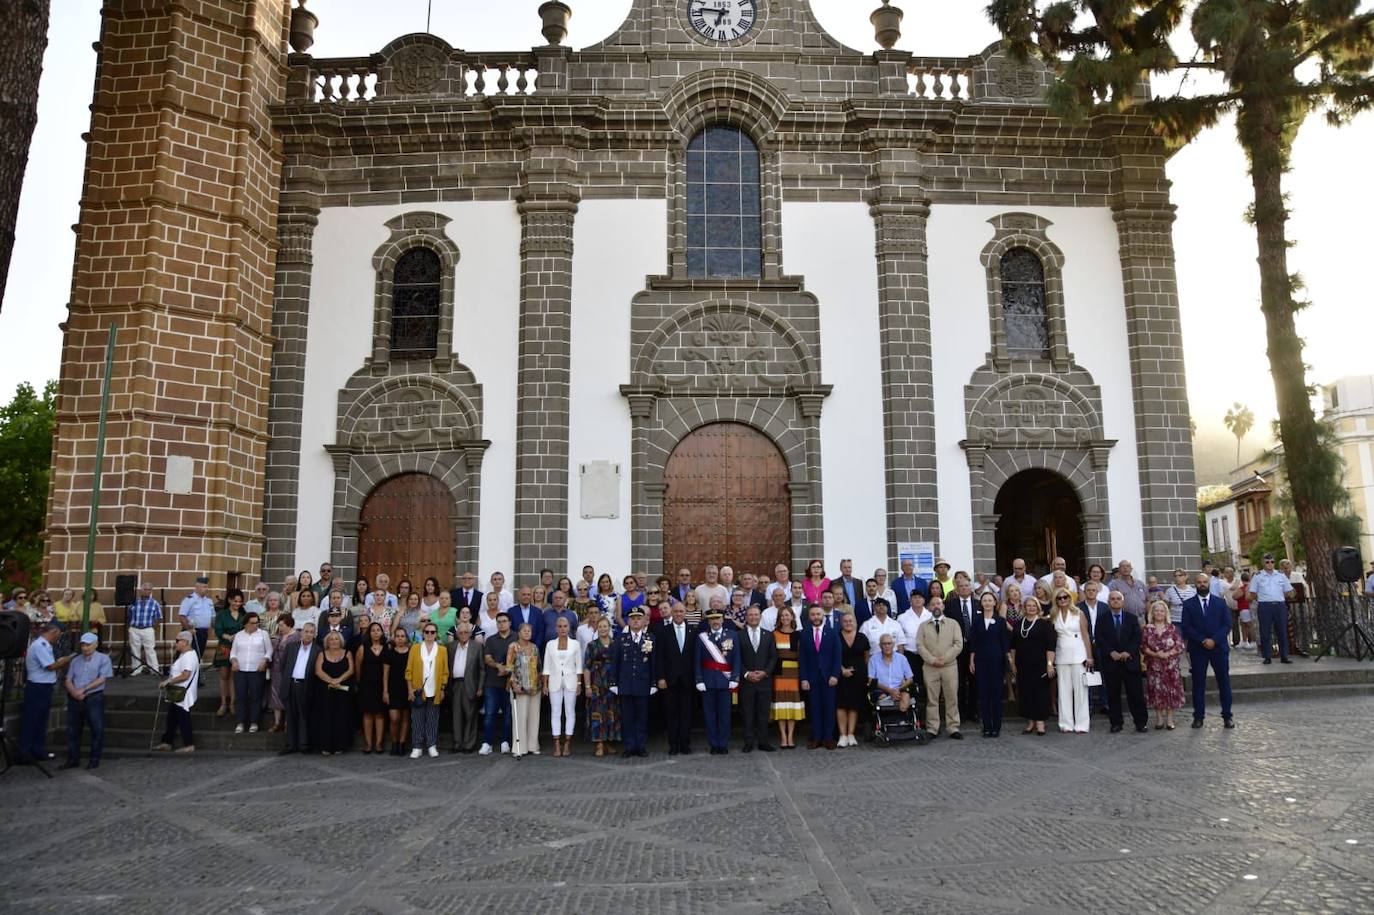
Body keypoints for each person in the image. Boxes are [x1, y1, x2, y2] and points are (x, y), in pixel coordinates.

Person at [1182, 573, 1235, 729]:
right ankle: (1198, 716)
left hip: (1219, 648)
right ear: (1195, 584)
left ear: (1209, 583)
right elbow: (1186, 627)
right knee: (1198, 683)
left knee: (1224, 682)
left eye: (1205, 582)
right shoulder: (1189, 604)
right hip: (1198, 649)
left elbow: (1227, 624)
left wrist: (1214, 640)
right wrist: (1203, 640)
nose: (1202, 584)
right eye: (1199, 582)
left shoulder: (1220, 602)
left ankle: (1227, 716)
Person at [1095, 589, 1148, 733]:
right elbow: (1099, 638)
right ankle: (1116, 723)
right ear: (1108, 602)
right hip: (1111, 662)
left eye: (1118, 598)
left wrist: (1128, 651)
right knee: (1113, 695)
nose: (1115, 601)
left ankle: (1141, 722)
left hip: (1130, 662)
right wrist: (1110, 652)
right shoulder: (1102, 618)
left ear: (1123, 602)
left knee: (1136, 694)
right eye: (1112, 599)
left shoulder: (1131, 618)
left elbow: (1137, 637)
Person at [609, 606, 656, 758]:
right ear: (628, 621)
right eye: (633, 618)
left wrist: (653, 683)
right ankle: (629, 746)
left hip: (643, 684)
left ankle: (641, 746)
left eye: (638, 618)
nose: (636, 621)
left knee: (642, 717)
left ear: (644, 621)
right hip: (626, 684)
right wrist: (614, 683)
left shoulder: (650, 638)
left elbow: (653, 663)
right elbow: (615, 662)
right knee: (628, 717)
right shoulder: (621, 639)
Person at [61, 632, 112, 770]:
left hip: (93, 697)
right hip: (75, 697)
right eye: (83, 645)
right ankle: (73, 758)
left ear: (95, 645)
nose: (85, 648)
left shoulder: (103, 659)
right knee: (73, 730)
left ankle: (94, 759)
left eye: (88, 645)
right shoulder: (76, 660)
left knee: (97, 729)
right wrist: (74, 692)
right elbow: (68, 679)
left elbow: (102, 678)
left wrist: (83, 690)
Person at [695, 607, 740, 754]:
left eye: (718, 618)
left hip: (725, 681)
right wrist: (699, 679)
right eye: (712, 619)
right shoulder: (702, 637)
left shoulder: (732, 635)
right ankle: (714, 744)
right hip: (708, 682)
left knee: (725, 715)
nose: (715, 621)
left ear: (722, 619)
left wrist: (734, 677)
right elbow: (697, 660)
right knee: (710, 715)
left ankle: (723, 743)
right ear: (708, 621)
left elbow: (737, 658)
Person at [917, 597, 963, 740]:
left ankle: (953, 727)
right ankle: (932, 728)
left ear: (943, 606)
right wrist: (932, 660)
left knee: (951, 697)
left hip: (949, 666)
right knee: (932, 699)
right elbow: (920, 645)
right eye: (933, 604)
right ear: (929, 607)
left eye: (938, 603)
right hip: (930, 667)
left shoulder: (953, 624)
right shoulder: (923, 626)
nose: (936, 606)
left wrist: (945, 659)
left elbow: (958, 644)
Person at [654, 599, 696, 755]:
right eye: (676, 611)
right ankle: (673, 744)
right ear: (671, 613)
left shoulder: (693, 631)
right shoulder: (663, 632)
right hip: (669, 681)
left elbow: (695, 657)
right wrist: (661, 677)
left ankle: (685, 744)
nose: (679, 614)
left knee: (686, 714)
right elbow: (659, 657)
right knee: (671, 714)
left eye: (681, 611)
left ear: (685, 614)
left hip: (687, 681)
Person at [1049, 587, 1093, 734]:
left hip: (1078, 652)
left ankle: (1082, 724)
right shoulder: (1053, 615)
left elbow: (1086, 635)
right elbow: (1052, 636)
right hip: (1061, 653)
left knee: (1080, 691)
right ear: (1056, 600)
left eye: (1065, 597)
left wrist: (1089, 656)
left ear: (1070, 598)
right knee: (1063, 690)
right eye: (1059, 598)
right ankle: (1065, 723)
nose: (1063, 600)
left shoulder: (1079, 613)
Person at [969, 591, 1011, 738]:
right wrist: (971, 660)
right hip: (981, 660)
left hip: (997, 660)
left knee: (996, 694)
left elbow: (1005, 642)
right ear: (981, 603)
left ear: (995, 603)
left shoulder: (1000, 621)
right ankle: (986, 726)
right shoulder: (977, 620)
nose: (987, 603)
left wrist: (1009, 659)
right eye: (984, 600)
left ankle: (996, 727)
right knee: (984, 694)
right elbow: (973, 642)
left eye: (990, 600)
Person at [799, 603, 841, 749]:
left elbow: (837, 656)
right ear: (809, 616)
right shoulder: (804, 633)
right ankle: (816, 737)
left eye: (818, 614)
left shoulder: (832, 632)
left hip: (829, 677)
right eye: (813, 615)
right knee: (815, 708)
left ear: (823, 615)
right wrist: (804, 678)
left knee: (829, 708)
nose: (816, 617)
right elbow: (802, 658)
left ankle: (828, 738)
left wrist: (835, 675)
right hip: (812, 678)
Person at [1010, 597, 1054, 735]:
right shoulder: (1018, 625)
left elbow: (1050, 647)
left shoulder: (1044, 624)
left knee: (1040, 693)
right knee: (1026, 693)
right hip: (1023, 665)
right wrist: (1013, 663)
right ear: (1024, 608)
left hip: (1040, 664)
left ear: (1038, 607)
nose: (1031, 608)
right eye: (1028, 605)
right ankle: (1030, 721)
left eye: (1034, 605)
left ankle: (1040, 722)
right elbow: (1013, 647)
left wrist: (1049, 664)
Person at [405, 621, 448, 759]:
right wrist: (410, 689)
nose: (430, 634)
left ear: (436, 634)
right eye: (427, 632)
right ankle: (417, 746)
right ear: (423, 634)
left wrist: (442, 689)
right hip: (418, 690)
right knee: (416, 719)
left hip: (434, 690)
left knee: (432, 719)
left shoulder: (442, 650)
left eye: (432, 632)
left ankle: (431, 745)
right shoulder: (415, 648)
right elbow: (409, 670)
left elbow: (445, 672)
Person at [738, 604, 777, 752]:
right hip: (747, 681)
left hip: (764, 681)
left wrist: (765, 673)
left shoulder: (768, 634)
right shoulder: (739, 635)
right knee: (747, 713)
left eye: (756, 615)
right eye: (751, 615)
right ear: (746, 617)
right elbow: (737, 659)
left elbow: (773, 657)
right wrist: (746, 673)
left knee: (763, 712)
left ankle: (763, 741)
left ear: (760, 617)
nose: (753, 617)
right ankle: (748, 742)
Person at [542, 615, 582, 757]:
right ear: (556, 628)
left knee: (570, 712)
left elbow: (579, 666)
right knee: (556, 712)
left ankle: (567, 743)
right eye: (560, 626)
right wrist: (545, 684)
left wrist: (579, 683)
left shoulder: (575, 644)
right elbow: (546, 666)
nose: (562, 629)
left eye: (565, 626)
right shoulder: (550, 644)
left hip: (571, 681)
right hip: (554, 681)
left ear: (569, 627)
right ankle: (557, 743)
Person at [1142, 599, 1184, 730]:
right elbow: (1143, 647)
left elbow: (1180, 645)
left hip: (1171, 667)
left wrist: (1168, 653)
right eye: (1156, 610)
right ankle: (1159, 719)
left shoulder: (1172, 629)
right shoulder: (1147, 629)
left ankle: (1170, 719)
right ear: (1152, 613)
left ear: (1166, 613)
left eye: (1162, 610)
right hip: (1154, 667)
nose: (1159, 613)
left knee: (1171, 692)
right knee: (1156, 692)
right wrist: (1156, 655)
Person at [278, 622, 319, 754]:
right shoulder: (291, 647)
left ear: (315, 635)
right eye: (306, 631)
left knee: (303, 715)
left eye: (311, 632)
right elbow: (282, 666)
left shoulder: (318, 650)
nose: (308, 634)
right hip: (290, 684)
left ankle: (304, 744)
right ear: (301, 633)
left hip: (305, 686)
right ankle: (290, 745)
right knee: (290, 715)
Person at [583, 616, 621, 757]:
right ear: (597, 629)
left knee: (611, 713)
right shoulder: (591, 645)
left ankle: (608, 742)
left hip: (612, 683)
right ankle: (599, 744)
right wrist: (587, 686)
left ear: (609, 628)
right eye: (600, 627)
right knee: (597, 713)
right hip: (596, 684)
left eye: (605, 626)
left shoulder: (615, 644)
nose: (603, 629)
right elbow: (586, 667)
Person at [155, 631, 199, 753]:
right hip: (177, 692)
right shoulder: (184, 654)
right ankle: (167, 742)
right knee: (172, 718)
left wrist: (168, 682)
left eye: (177, 641)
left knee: (183, 719)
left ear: (185, 642)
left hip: (182, 693)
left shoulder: (189, 656)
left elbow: (185, 675)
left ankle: (189, 744)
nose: (176, 643)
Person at [1248, 553, 1295, 664]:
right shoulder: (1258, 576)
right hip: (1265, 606)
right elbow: (1253, 593)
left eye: (1272, 562)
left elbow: (1289, 590)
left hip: (1279, 605)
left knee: (1282, 631)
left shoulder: (1280, 575)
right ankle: (1267, 656)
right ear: (1263, 563)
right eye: (1267, 562)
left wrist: (1291, 594)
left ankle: (1284, 655)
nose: (1270, 564)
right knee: (1265, 632)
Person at [229, 610, 271, 734]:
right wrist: (234, 661)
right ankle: (240, 722)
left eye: (257, 623)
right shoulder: (238, 635)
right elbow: (233, 652)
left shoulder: (263, 634)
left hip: (256, 670)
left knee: (256, 696)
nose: (255, 625)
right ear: (246, 623)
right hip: (240, 670)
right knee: (240, 696)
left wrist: (264, 660)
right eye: (252, 623)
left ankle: (254, 722)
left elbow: (269, 651)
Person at [313, 630, 355, 755]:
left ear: (341, 641)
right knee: (326, 718)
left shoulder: (348, 653)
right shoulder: (322, 654)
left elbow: (351, 670)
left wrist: (338, 680)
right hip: (325, 691)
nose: (334, 641)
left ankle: (339, 745)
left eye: (336, 639)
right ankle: (325, 746)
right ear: (327, 642)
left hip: (343, 691)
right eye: (331, 639)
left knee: (341, 717)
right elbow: (318, 671)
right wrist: (331, 680)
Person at [832, 609, 869, 748]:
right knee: (841, 705)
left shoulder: (862, 637)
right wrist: (842, 670)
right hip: (840, 675)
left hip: (858, 676)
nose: (848, 623)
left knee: (854, 705)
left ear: (855, 622)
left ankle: (851, 734)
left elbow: (866, 657)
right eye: (845, 621)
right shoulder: (836, 636)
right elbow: (833, 656)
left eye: (850, 621)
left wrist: (858, 670)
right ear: (841, 623)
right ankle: (842, 735)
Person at [445, 621, 484, 753]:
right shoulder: (451, 646)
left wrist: (480, 687)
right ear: (456, 634)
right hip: (455, 685)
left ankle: (468, 744)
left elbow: (482, 669)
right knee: (456, 716)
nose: (463, 634)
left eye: (466, 632)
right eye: (460, 633)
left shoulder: (477, 647)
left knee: (470, 715)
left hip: (471, 685)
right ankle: (457, 743)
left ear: (470, 633)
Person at [479, 612, 514, 755]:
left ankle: (505, 742)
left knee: (507, 715)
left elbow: (521, 657)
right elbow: (487, 658)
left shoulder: (516, 638)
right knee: (489, 714)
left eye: (504, 621)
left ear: (510, 623)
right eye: (499, 621)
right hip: (492, 682)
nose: (501, 624)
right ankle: (487, 742)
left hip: (510, 683)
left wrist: (507, 669)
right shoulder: (491, 640)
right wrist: (497, 666)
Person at [355, 621, 389, 752]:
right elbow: (358, 668)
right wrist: (359, 683)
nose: (375, 632)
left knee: (380, 714)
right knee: (368, 714)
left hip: (382, 685)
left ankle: (379, 743)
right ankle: (368, 744)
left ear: (382, 632)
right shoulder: (362, 648)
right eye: (373, 630)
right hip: (366, 685)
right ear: (369, 633)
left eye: (378, 630)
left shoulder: (387, 648)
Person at [177, 576, 215, 679]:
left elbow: (213, 617)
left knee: (198, 655)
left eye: (206, 587)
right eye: (203, 586)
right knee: (189, 655)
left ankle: (195, 677)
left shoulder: (209, 601)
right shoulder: (189, 599)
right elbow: (182, 616)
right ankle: (184, 676)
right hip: (192, 631)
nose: (206, 589)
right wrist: (188, 629)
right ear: (197, 587)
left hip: (203, 632)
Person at [383, 628, 412, 756]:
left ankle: (401, 743)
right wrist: (385, 691)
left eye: (402, 636)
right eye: (398, 636)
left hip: (407, 688)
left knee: (405, 717)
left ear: (406, 638)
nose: (400, 638)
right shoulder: (389, 653)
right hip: (393, 688)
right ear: (394, 638)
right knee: (394, 718)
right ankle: (394, 741)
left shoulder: (411, 653)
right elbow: (385, 674)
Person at [868, 634, 914, 715]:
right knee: (882, 700)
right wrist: (889, 690)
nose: (887, 646)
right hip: (881, 690)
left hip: (899, 689)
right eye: (884, 644)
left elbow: (910, 679)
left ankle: (900, 721)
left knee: (905, 698)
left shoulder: (902, 659)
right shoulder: (873, 659)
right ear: (880, 645)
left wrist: (897, 690)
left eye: (889, 643)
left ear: (893, 645)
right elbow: (871, 680)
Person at [126, 581, 163, 676]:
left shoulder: (155, 603)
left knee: (150, 649)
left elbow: (159, 617)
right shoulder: (134, 602)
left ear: (151, 591)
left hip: (148, 629)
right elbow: (129, 614)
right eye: (145, 589)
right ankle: (136, 669)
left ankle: (154, 669)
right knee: (135, 649)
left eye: (149, 589)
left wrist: (153, 628)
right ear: (141, 590)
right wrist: (130, 626)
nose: (147, 591)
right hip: (135, 628)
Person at [266, 612, 295, 732]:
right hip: (276, 670)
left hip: (289, 670)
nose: (280, 628)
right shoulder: (278, 636)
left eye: (282, 625)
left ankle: (288, 723)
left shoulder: (296, 636)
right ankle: (277, 722)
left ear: (289, 625)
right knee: (275, 695)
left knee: (289, 697)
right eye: (279, 625)